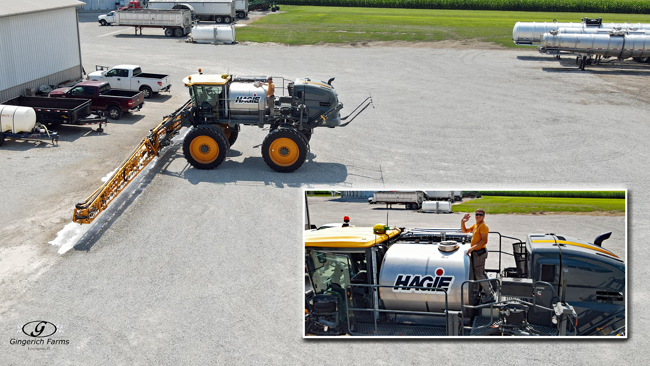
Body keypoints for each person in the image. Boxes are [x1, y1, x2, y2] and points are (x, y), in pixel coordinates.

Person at [461, 208, 495, 303]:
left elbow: (484, 240)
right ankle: (488, 289)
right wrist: (462, 222)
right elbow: (464, 231)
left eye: (480, 215)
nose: (478, 216)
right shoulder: (476, 225)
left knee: (479, 274)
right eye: (476, 214)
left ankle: (489, 295)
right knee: (482, 272)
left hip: (479, 253)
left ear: (483, 216)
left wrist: (472, 248)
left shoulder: (483, 226)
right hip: (477, 252)